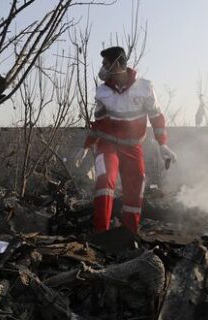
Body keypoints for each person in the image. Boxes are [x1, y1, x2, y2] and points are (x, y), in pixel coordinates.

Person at [74, 46, 177, 233]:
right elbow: (98, 124)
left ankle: (129, 234)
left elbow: (156, 116)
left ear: (118, 64)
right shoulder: (102, 92)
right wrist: (86, 147)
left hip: (132, 147)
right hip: (107, 146)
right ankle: (101, 234)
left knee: (135, 187)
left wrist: (163, 143)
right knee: (104, 182)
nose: (103, 68)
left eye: (106, 64)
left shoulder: (144, 88)